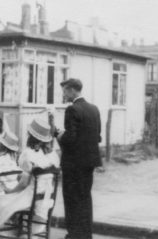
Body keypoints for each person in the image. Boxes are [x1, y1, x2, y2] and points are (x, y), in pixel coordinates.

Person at [0, 118, 59, 238]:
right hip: (47, 199)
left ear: (30, 135)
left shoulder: (29, 154)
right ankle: (10, 231)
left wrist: (10, 191)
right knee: (7, 199)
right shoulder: (53, 155)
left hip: (30, 198)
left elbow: (23, 184)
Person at [58, 78, 102, 239]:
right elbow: (98, 137)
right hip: (89, 162)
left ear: (72, 90)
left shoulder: (72, 110)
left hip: (73, 163)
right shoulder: (94, 109)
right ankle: (85, 234)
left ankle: (74, 234)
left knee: (71, 199)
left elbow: (70, 139)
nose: (63, 95)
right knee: (85, 197)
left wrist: (59, 135)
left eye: (64, 91)